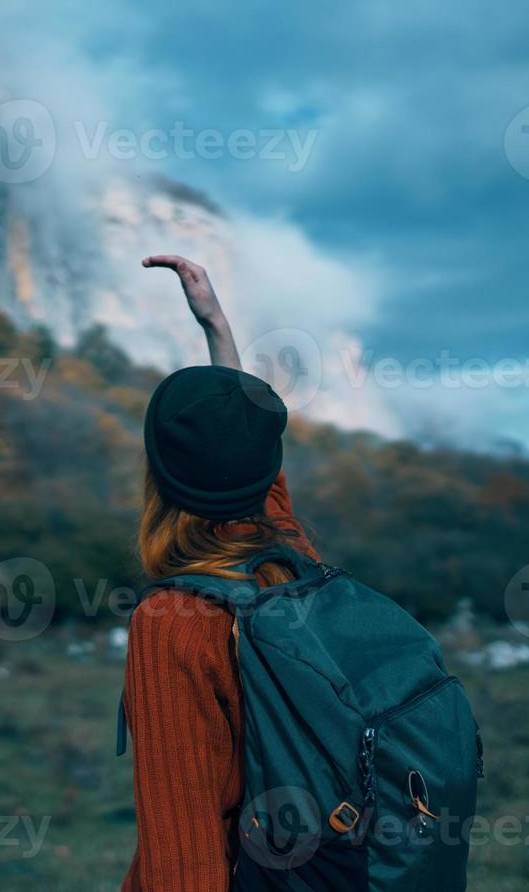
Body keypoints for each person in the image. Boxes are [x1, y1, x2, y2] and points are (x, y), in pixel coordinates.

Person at [123, 254, 319, 891]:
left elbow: (183, 860)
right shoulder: (295, 558)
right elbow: (249, 461)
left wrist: (216, 334)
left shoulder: (170, 624)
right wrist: (218, 330)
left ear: (158, 479)